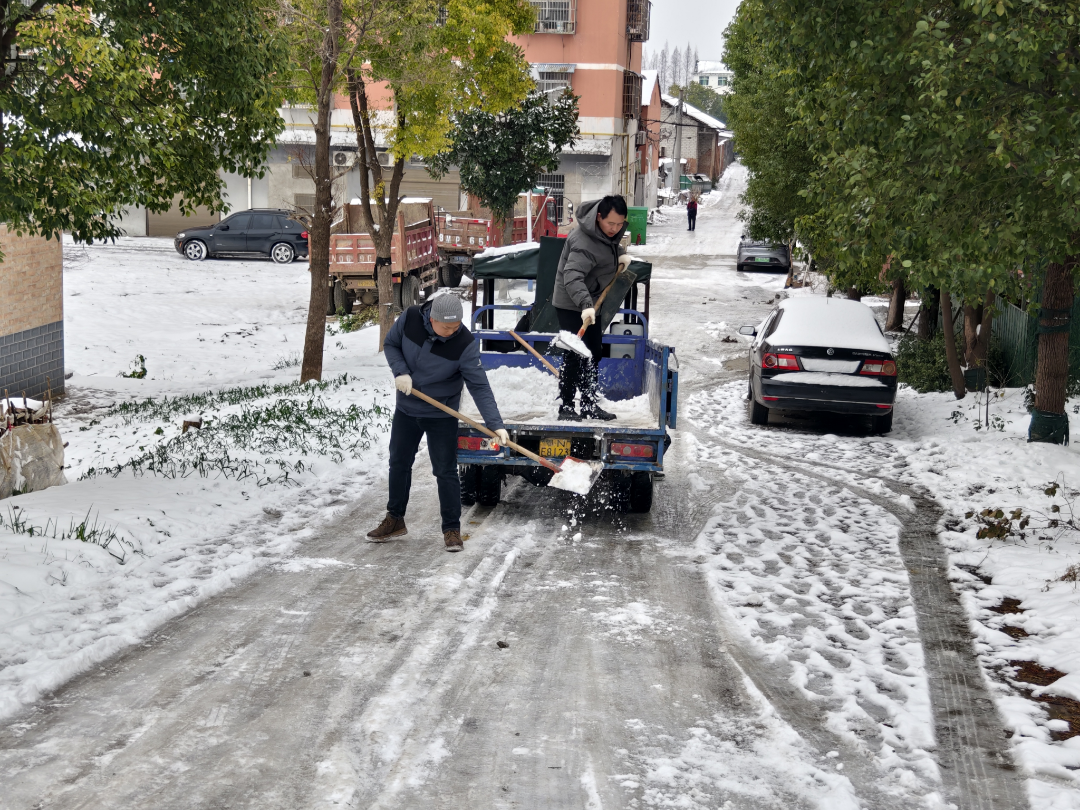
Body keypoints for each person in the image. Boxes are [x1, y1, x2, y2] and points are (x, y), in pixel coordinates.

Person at [368, 294, 509, 552]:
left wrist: (495, 424)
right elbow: (391, 344)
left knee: (445, 470)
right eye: (447, 327)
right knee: (399, 463)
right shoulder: (410, 318)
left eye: (456, 326)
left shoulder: (464, 343)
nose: (452, 331)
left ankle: (451, 529)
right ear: (431, 318)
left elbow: (479, 385)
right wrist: (400, 371)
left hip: (441, 413)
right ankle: (395, 518)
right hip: (407, 408)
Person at [552, 195, 632, 422]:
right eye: (610, 223)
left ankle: (589, 405)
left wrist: (619, 256)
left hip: (591, 302)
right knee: (575, 354)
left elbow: (606, 248)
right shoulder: (583, 242)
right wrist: (585, 305)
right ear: (598, 217)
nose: (615, 229)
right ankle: (566, 407)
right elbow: (572, 276)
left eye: (619, 224)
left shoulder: (604, 233)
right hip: (572, 303)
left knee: (594, 352)